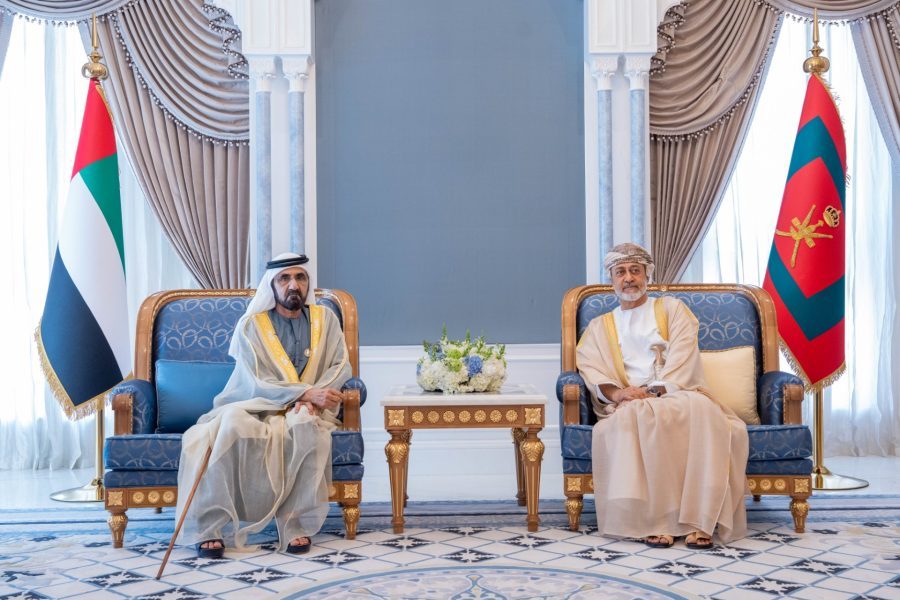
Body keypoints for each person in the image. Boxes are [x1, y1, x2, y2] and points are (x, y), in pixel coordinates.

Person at [176, 252, 351, 558]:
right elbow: (256, 381)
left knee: (304, 425)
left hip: (310, 410)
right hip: (256, 405)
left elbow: (340, 366)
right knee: (228, 424)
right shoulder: (251, 326)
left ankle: (295, 525)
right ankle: (209, 528)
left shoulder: (327, 320)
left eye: (300, 277)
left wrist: (317, 398)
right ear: (271, 285)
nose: (293, 285)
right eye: (284, 278)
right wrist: (306, 394)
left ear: (308, 283)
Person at [576, 243, 748, 549]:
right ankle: (658, 521)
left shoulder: (672, 309)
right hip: (629, 400)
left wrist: (654, 390)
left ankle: (700, 520)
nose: (629, 278)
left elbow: (683, 356)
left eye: (635, 270)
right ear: (611, 280)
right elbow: (590, 367)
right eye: (621, 272)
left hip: (674, 391)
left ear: (647, 275)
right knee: (636, 416)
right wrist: (620, 393)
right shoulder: (599, 326)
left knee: (700, 411)